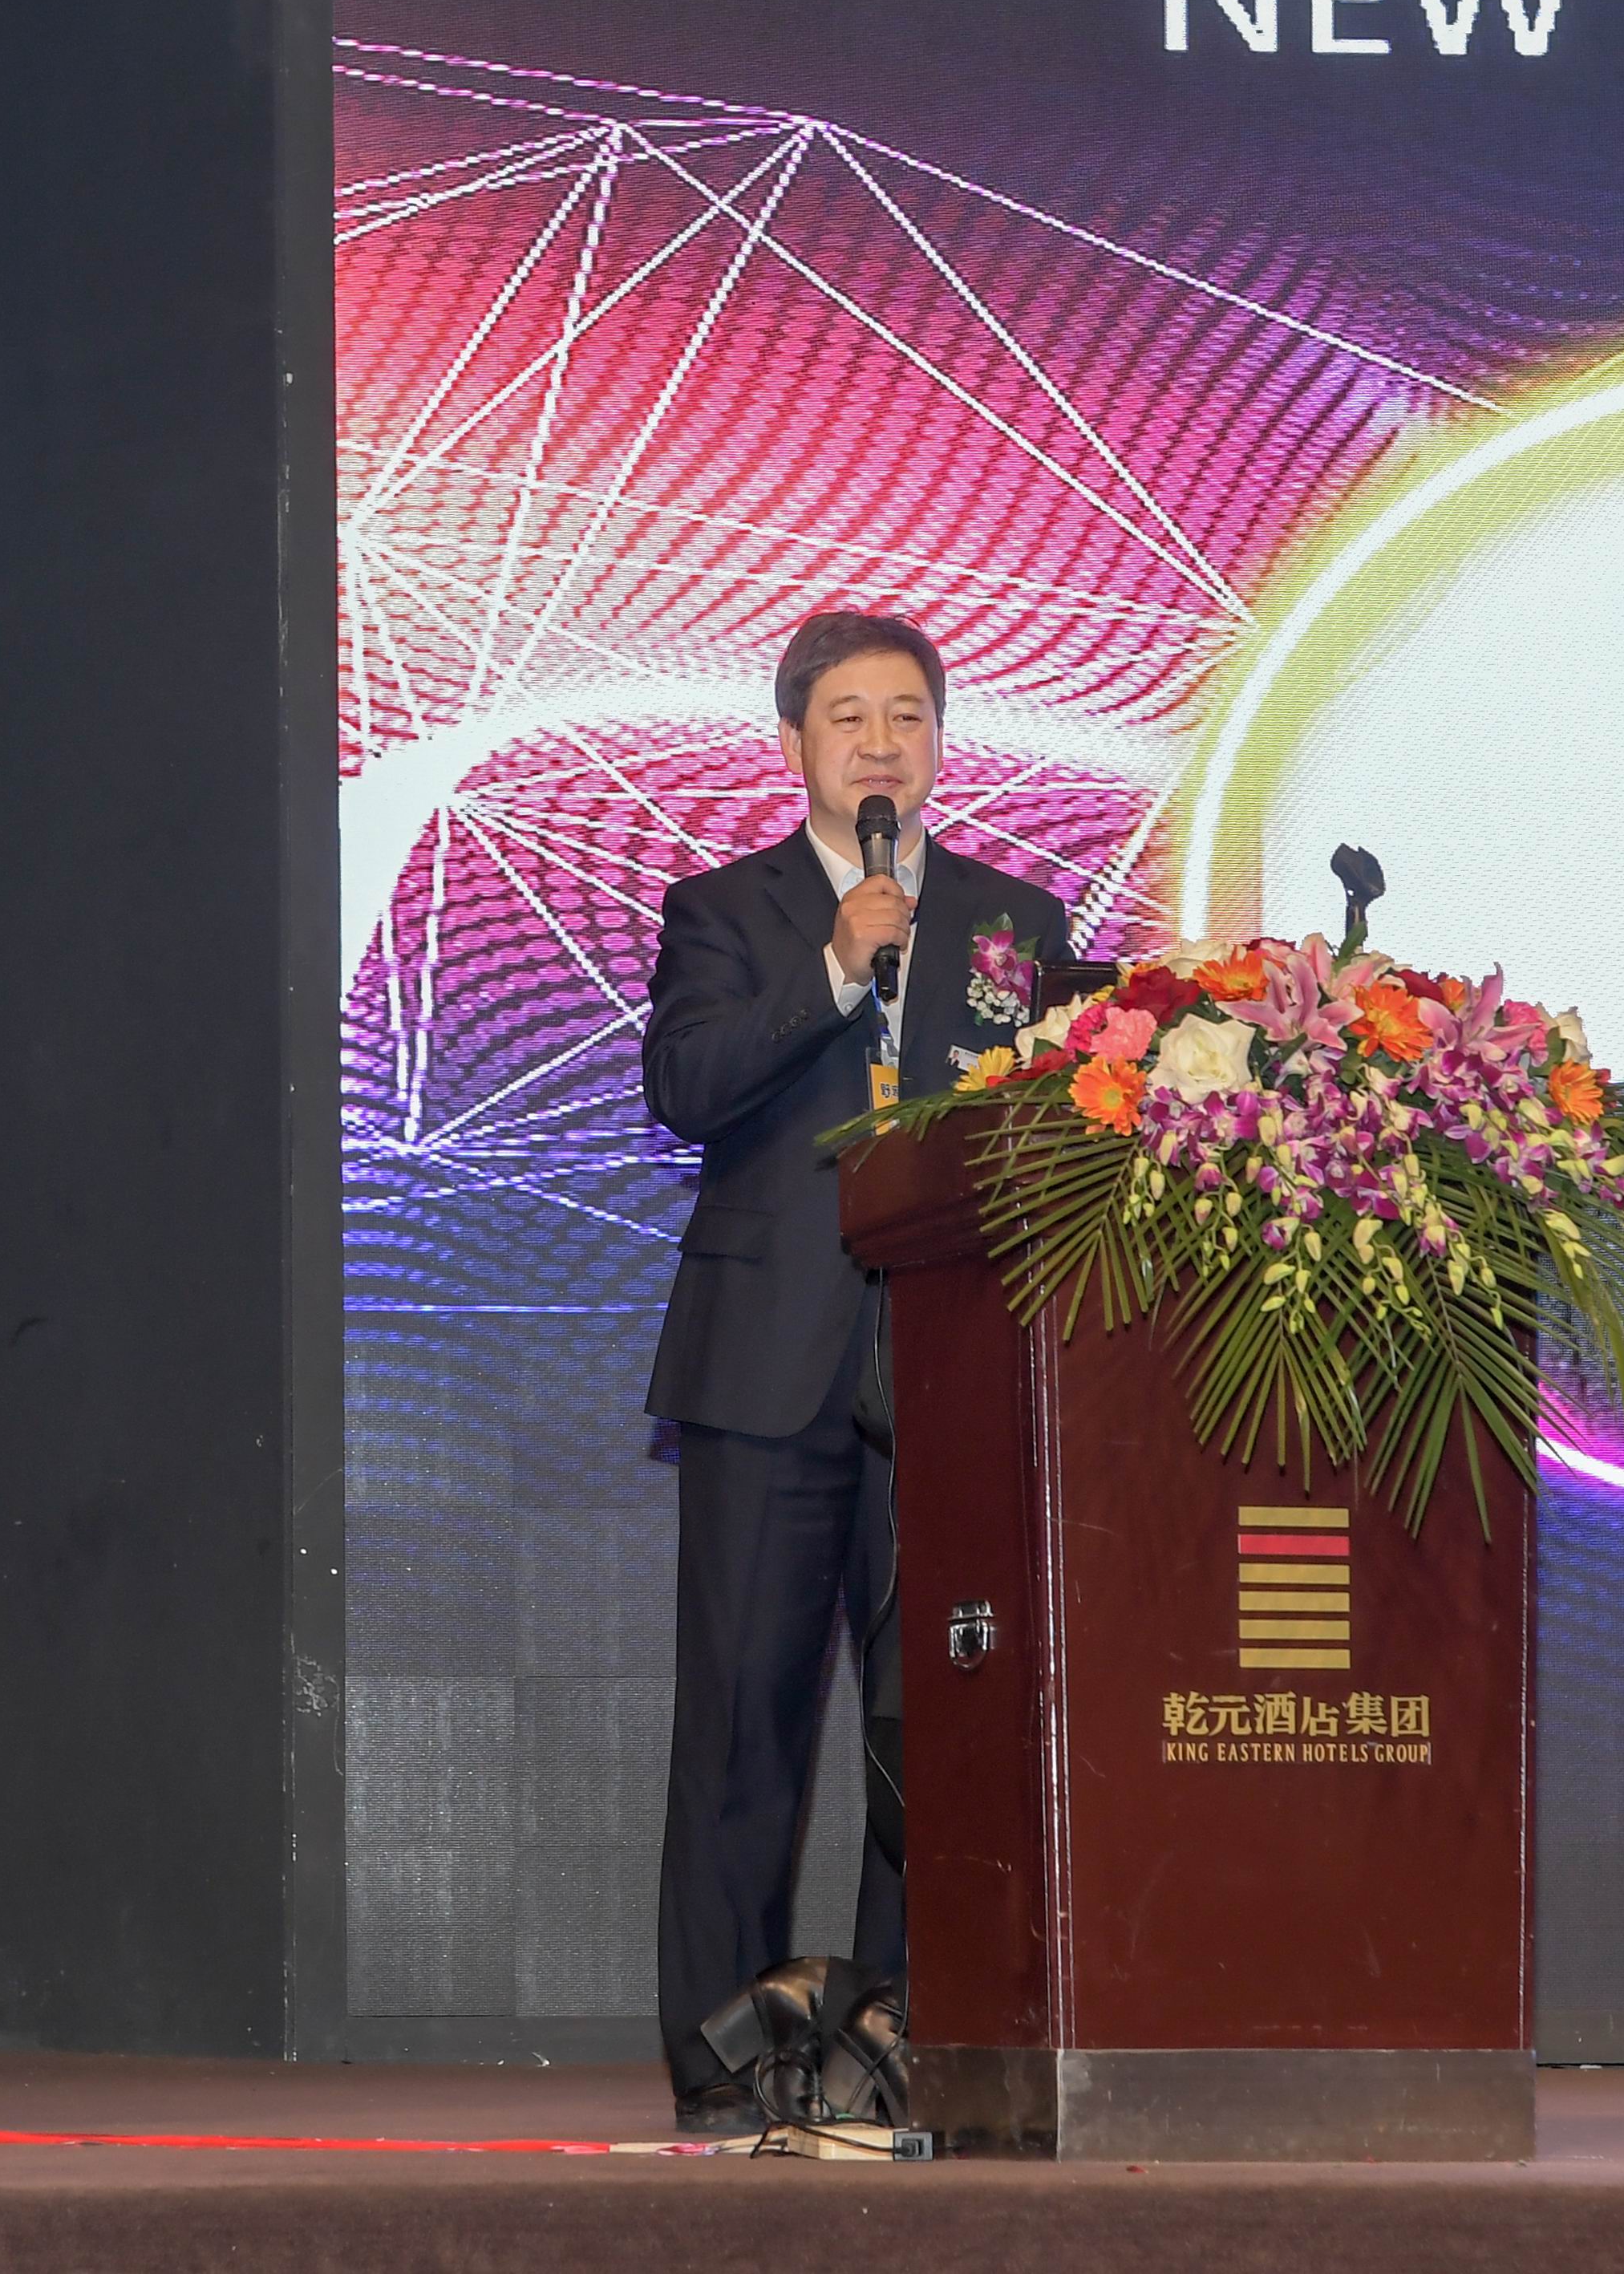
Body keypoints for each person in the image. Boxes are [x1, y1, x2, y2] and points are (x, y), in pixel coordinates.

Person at [640, 610, 1075, 2126]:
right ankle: (724, 2067)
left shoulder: (1018, 918)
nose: (880, 743)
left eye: (906, 716)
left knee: (933, 1735)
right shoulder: (723, 908)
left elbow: (1062, 1122)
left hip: (954, 1380)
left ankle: (905, 2048)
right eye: (848, 718)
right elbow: (686, 1084)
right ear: (793, 745)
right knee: (741, 1729)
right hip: (768, 1374)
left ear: (940, 742)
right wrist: (835, 968)